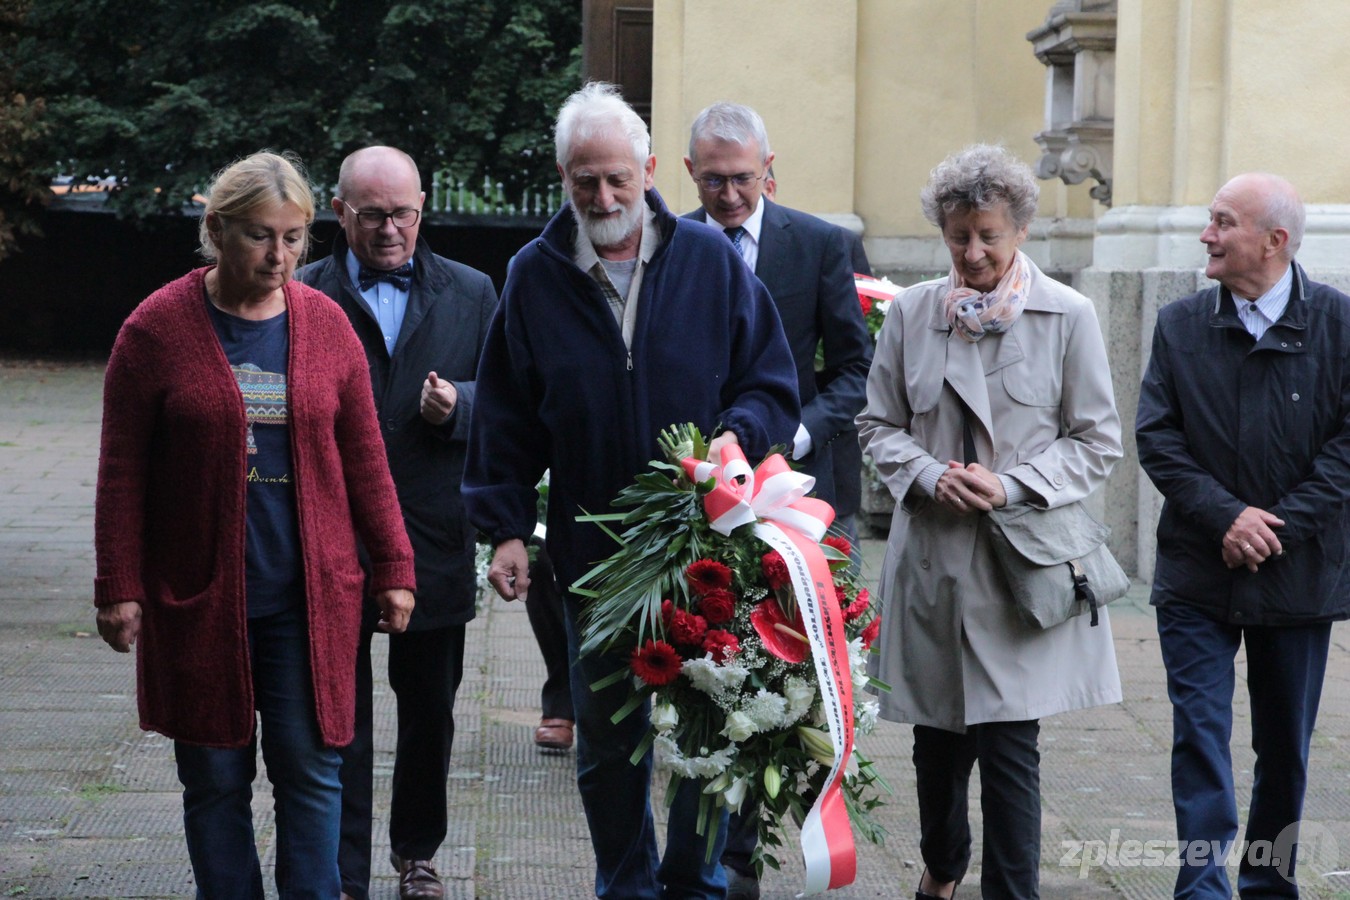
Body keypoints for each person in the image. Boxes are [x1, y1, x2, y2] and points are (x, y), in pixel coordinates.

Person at [463, 82, 800, 900]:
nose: (605, 198)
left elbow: (771, 385)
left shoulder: (711, 261)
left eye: (619, 178)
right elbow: (505, 414)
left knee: (704, 729)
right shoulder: (533, 275)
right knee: (610, 743)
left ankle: (695, 883)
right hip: (593, 551)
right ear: (563, 177)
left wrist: (739, 433)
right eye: (586, 182)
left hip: (703, 552)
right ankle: (626, 886)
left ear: (650, 169)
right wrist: (506, 527)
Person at [93, 150, 416, 898]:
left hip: (309, 602)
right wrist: (119, 585)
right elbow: (121, 474)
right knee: (213, 777)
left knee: (312, 771)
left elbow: (366, 460)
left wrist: (395, 568)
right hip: (201, 598)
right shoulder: (155, 332)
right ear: (216, 229)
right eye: (261, 236)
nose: (280, 256)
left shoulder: (327, 327)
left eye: (296, 237)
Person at [856, 144, 1123, 900]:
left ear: (1021, 232)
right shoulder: (910, 313)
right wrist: (929, 473)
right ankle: (943, 865)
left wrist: (1012, 487)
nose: (972, 253)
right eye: (958, 236)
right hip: (934, 565)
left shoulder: (1069, 316)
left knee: (1011, 748)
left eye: (988, 236)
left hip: (1021, 569)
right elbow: (877, 424)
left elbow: (1097, 440)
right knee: (936, 751)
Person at [1136, 172, 1350, 899]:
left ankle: (1268, 885)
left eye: (1223, 222)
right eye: (1208, 220)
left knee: (1284, 748)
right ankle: (1201, 885)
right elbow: (1157, 438)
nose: (1207, 234)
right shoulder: (1179, 324)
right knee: (1199, 734)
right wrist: (1226, 516)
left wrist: (1274, 530)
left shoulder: (1341, 326)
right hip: (1197, 568)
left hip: (1299, 575)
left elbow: (1347, 449)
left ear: (1274, 241)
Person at [682, 101, 872, 899]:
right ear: (691, 176)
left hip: (799, 496)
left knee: (797, 677)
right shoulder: (675, 247)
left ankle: (762, 842)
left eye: (744, 179)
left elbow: (856, 372)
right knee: (711, 673)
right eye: (714, 181)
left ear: (771, 169)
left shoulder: (823, 245)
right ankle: (709, 855)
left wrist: (791, 440)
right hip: (702, 495)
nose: (729, 195)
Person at [296, 145, 497, 900]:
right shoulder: (303, 292)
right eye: (372, 214)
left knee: (429, 717)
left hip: (433, 534)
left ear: (424, 209)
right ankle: (343, 869)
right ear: (340, 212)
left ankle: (417, 854)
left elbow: (511, 401)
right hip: (329, 538)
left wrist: (464, 408)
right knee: (334, 716)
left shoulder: (475, 292)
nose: (389, 230)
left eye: (403, 213)